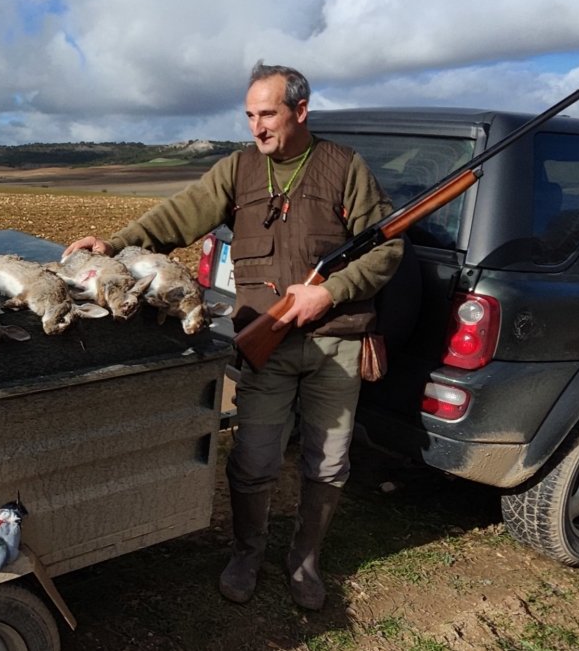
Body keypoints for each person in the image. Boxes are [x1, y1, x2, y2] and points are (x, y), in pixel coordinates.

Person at [63, 63, 403, 610]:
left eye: (268, 114)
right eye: (249, 115)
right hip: (264, 339)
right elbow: (178, 216)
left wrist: (330, 292)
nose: (257, 127)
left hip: (336, 343)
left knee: (329, 462)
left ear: (300, 110)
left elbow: (387, 248)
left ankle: (305, 560)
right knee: (254, 459)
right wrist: (114, 244)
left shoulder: (345, 168)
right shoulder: (239, 169)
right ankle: (247, 553)